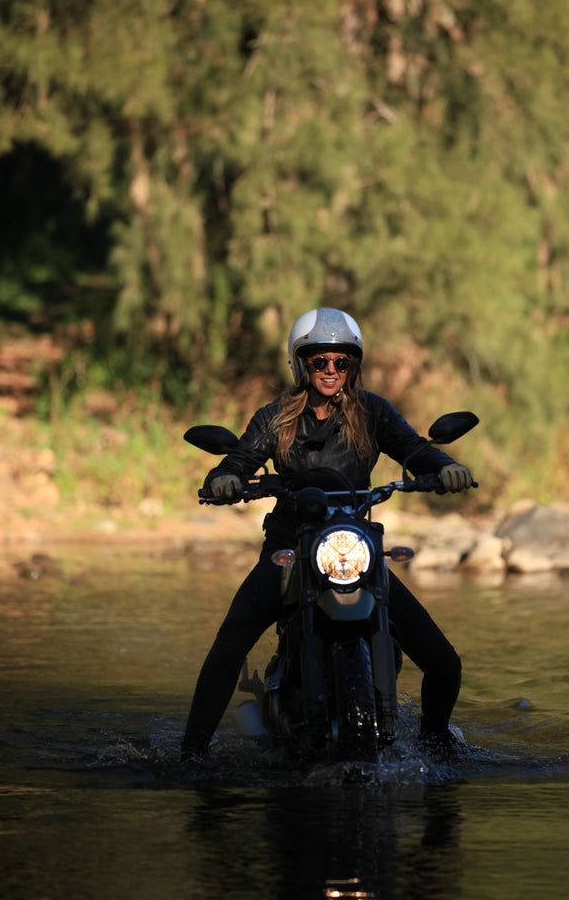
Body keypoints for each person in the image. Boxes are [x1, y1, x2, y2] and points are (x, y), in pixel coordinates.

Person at [181, 308, 474, 761]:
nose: (332, 371)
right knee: (230, 643)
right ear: (301, 365)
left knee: (444, 662)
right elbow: (240, 460)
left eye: (342, 363)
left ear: (354, 367)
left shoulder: (372, 411)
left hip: (352, 545)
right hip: (289, 547)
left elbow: (413, 448)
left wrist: (446, 468)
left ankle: (436, 744)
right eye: (321, 362)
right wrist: (224, 478)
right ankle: (191, 754)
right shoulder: (276, 416)